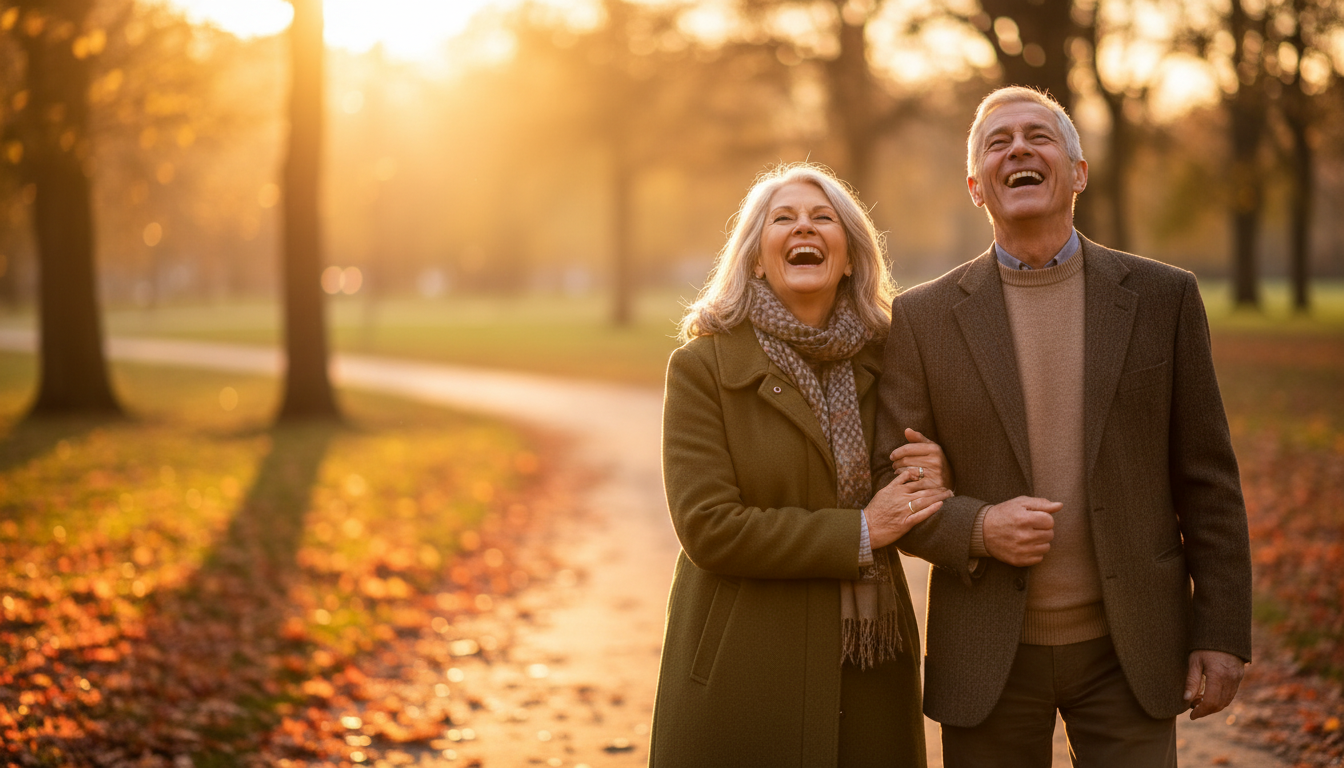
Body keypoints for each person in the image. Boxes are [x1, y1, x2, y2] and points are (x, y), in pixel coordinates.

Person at [872, 86, 1252, 767]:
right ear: (975, 187)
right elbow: (889, 487)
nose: (1018, 148)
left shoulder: (1163, 298)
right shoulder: (922, 319)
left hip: (1129, 648)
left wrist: (1220, 632)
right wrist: (980, 527)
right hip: (988, 654)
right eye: (998, 142)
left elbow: (1208, 479)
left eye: (1039, 136)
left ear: (1078, 173)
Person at [650, 163, 951, 768]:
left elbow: (907, 483)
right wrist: (860, 533)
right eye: (782, 218)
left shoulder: (890, 359)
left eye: (822, 218)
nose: (802, 228)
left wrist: (934, 469)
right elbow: (709, 526)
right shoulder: (701, 368)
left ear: (848, 258)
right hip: (746, 662)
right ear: (757, 258)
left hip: (869, 665)